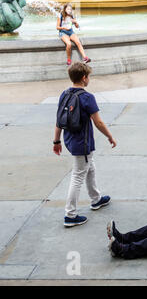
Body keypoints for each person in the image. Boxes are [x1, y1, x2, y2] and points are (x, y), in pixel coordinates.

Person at [53, 62, 117, 227]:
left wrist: (57, 140)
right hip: (83, 142)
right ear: (84, 78)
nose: (89, 79)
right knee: (78, 175)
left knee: (90, 167)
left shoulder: (64, 94)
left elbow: (59, 120)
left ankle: (96, 199)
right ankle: (70, 215)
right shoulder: (87, 97)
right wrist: (110, 136)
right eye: (89, 76)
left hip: (70, 140)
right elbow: (99, 123)